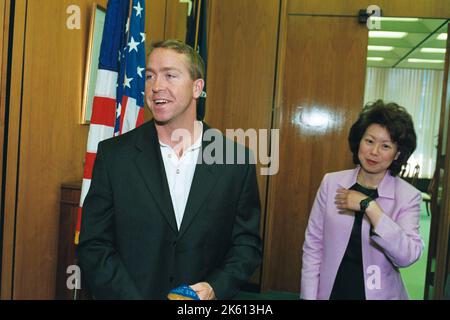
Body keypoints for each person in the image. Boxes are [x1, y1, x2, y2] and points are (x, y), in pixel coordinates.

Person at [77, 40, 262, 300]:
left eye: (170, 75)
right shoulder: (114, 156)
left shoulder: (235, 160)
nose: (156, 86)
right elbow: (94, 245)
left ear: (197, 87)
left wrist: (214, 288)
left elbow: (247, 245)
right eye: (150, 76)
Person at [301, 100, 423, 300]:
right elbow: (313, 245)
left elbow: (407, 256)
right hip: (332, 289)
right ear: (359, 141)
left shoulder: (408, 196)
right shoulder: (331, 182)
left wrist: (370, 207)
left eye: (385, 146)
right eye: (369, 141)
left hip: (379, 294)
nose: (374, 152)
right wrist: (308, 296)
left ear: (397, 154)